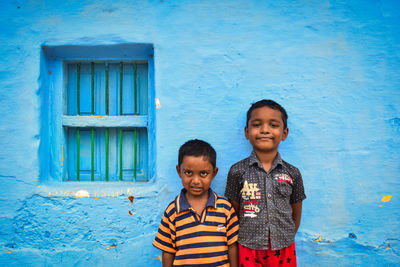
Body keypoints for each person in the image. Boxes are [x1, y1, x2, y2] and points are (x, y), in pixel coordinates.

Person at [225, 100, 306, 266]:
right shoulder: (237, 171)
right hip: (248, 246)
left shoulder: (293, 173)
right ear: (247, 132)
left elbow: (296, 212)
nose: (264, 130)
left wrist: (286, 235)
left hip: (284, 247)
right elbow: (234, 211)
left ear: (284, 133)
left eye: (273, 125)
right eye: (257, 124)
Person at [153, 139, 239, 267]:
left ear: (214, 173)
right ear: (179, 171)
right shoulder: (172, 211)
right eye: (188, 173)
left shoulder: (225, 209)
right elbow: (167, 251)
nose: (196, 181)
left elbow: (232, 246)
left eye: (203, 173)